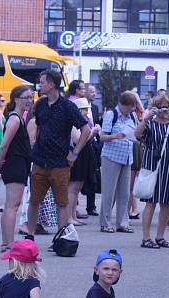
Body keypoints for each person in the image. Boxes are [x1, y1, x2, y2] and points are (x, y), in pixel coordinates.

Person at [26, 69, 90, 241]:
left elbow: (86, 130)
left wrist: (75, 153)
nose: (40, 84)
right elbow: (39, 127)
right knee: (34, 200)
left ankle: (61, 239)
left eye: (43, 81)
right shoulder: (39, 104)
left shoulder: (67, 106)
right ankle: (29, 236)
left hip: (60, 163)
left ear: (53, 84)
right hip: (40, 160)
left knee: (62, 202)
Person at [134, 95, 169, 248]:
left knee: (166, 203)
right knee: (150, 201)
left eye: (166, 106)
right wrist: (147, 117)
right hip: (152, 166)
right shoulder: (150, 123)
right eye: (160, 106)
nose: (164, 109)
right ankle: (146, 238)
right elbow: (137, 134)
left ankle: (160, 237)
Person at [0, 85, 34, 252]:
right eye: (26, 97)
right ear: (16, 99)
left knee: (11, 205)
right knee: (12, 205)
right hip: (15, 165)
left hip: (17, 164)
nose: (29, 100)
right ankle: (8, 243)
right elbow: (4, 145)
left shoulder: (19, 117)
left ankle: (7, 242)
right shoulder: (15, 119)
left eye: (30, 97)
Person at [98, 91, 137, 233]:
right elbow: (102, 137)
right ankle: (105, 222)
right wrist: (116, 136)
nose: (131, 110)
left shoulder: (131, 116)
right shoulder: (111, 115)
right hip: (111, 157)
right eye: (129, 107)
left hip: (127, 157)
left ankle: (122, 223)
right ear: (122, 104)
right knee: (109, 192)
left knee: (124, 192)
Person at [68, 97, 97, 226]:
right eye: (84, 109)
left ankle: (73, 215)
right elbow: (78, 139)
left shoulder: (84, 122)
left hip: (84, 155)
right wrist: (93, 132)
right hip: (77, 155)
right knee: (73, 188)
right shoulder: (74, 123)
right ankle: (70, 216)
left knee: (77, 188)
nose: (87, 112)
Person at [84, 83, 101, 217]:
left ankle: (91, 206)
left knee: (93, 174)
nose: (93, 94)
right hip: (83, 142)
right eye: (91, 91)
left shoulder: (95, 108)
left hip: (94, 144)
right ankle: (74, 207)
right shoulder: (78, 106)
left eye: (94, 92)